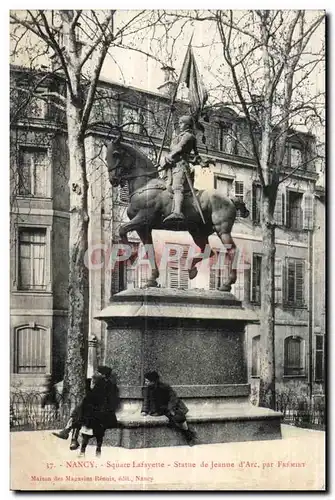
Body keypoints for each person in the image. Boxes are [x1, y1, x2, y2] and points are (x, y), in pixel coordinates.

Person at [52, 366, 120, 455]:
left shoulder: (102, 385)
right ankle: (70, 435)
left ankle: (69, 434)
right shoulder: (104, 384)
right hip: (98, 411)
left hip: (101, 413)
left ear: (103, 375)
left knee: (79, 413)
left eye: (98, 372)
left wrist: (90, 388)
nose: (96, 373)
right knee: (80, 411)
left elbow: (98, 400)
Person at [162, 115, 202, 223]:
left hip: (181, 166)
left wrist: (170, 155)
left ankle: (177, 212)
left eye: (181, 123)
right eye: (179, 123)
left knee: (177, 187)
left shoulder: (188, 136)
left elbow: (179, 148)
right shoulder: (179, 136)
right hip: (172, 166)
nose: (179, 125)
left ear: (187, 124)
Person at [141, 371, 196, 446]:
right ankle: (188, 433)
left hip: (171, 406)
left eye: (147, 381)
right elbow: (146, 400)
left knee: (179, 417)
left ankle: (188, 435)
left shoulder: (164, 387)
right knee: (172, 420)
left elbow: (173, 398)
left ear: (153, 381)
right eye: (145, 381)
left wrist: (170, 408)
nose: (145, 383)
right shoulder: (147, 389)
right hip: (160, 409)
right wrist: (144, 410)